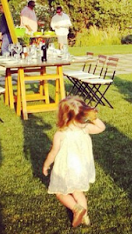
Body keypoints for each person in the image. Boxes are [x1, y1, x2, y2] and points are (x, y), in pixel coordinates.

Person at [43, 96, 106, 227]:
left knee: (60, 192)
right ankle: (85, 217)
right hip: (82, 168)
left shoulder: (60, 134)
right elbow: (101, 128)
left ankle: (76, 208)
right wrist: (93, 118)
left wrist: (46, 165)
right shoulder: (86, 128)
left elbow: (53, 152)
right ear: (83, 114)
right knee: (78, 192)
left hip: (66, 169)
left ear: (63, 116)